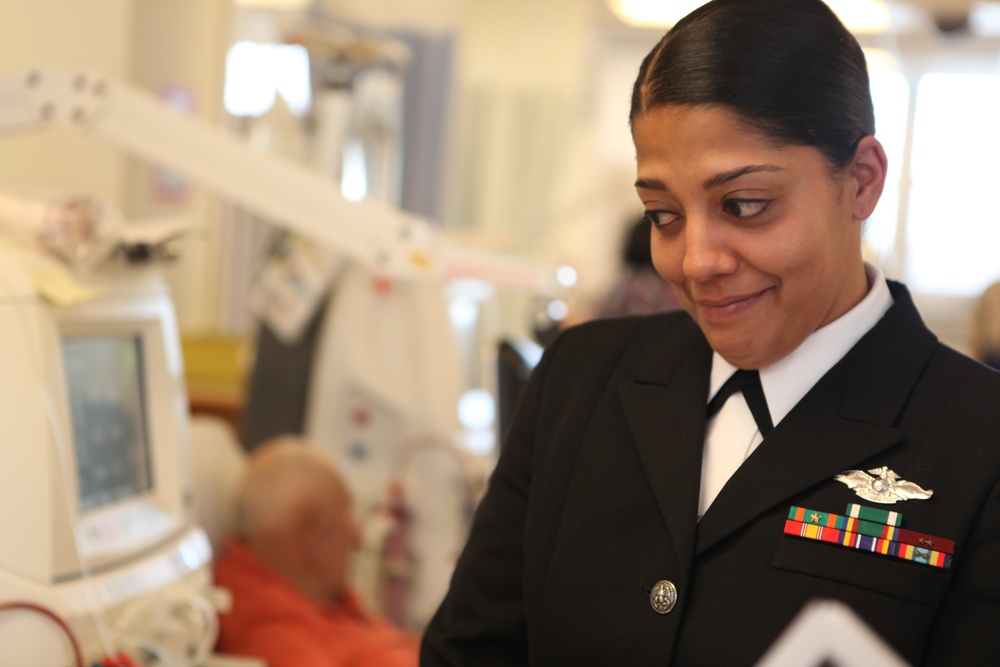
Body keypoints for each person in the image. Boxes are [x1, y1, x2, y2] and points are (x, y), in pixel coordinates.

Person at [420, 1, 1000, 665]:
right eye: (663, 215)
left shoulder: (978, 442)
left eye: (744, 205)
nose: (696, 260)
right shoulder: (580, 380)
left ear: (861, 181)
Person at [214, 437, 418, 667]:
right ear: (313, 528)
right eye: (347, 514)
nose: (357, 537)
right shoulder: (275, 637)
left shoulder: (309, 593)